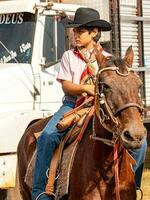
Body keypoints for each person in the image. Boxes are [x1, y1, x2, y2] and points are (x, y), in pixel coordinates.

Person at [32, 7, 147, 200]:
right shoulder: (69, 56)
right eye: (74, 31)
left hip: (102, 107)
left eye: (80, 31)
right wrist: (85, 89)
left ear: (94, 33)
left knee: (140, 144)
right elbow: (67, 86)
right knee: (47, 136)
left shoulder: (110, 59)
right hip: (73, 104)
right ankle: (40, 191)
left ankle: (131, 184)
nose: (75, 35)